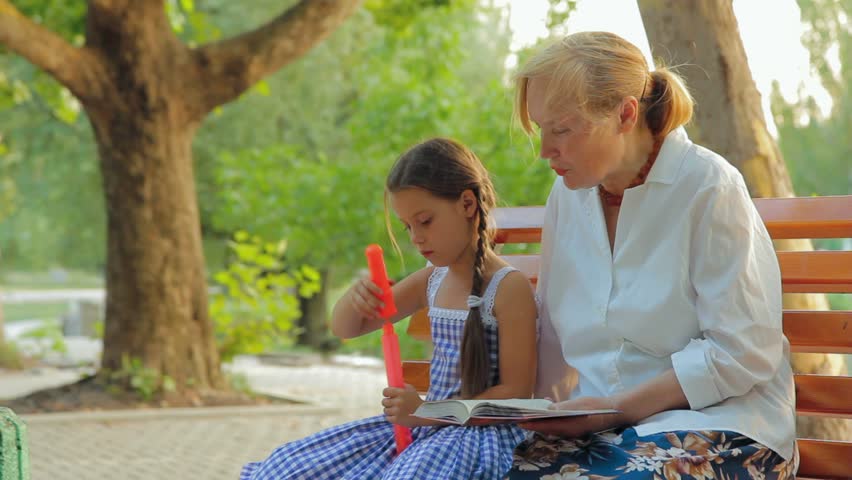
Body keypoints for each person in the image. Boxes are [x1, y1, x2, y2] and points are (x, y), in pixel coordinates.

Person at [504, 31, 797, 479]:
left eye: (561, 129)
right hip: (604, 433)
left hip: (723, 427)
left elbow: (743, 352)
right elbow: (554, 342)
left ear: (625, 113)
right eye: (542, 130)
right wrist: (523, 415)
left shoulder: (708, 186)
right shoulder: (567, 198)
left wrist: (613, 409)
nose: (546, 151)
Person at [241, 137, 539, 480]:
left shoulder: (507, 287)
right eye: (408, 226)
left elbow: (516, 396)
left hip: (475, 434)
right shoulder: (432, 280)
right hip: (425, 428)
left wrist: (429, 412)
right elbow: (346, 329)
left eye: (425, 221)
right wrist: (355, 300)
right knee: (286, 467)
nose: (416, 237)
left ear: (468, 204)